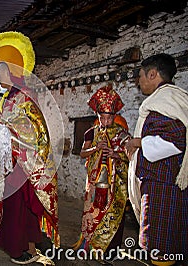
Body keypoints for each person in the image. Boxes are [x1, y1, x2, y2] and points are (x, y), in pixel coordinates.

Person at [0, 32, 59, 264]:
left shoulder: (24, 98)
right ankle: (17, 248)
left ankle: (13, 250)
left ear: (13, 69)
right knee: (14, 208)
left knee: (13, 209)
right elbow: (7, 129)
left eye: (1, 69)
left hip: (20, 165)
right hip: (8, 164)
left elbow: (28, 134)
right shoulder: (11, 97)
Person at [125, 53, 188, 265]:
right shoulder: (172, 99)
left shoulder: (164, 100)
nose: (139, 82)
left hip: (163, 186)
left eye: (140, 76)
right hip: (167, 183)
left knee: (161, 246)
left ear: (152, 74)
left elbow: (174, 141)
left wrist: (137, 143)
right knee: (171, 244)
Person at [72, 85, 129, 260]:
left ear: (114, 116)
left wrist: (115, 154)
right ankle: (92, 247)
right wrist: (97, 148)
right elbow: (83, 153)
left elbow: (129, 157)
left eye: (109, 117)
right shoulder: (91, 132)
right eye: (102, 117)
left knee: (114, 217)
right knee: (94, 213)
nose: (105, 121)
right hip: (95, 182)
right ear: (98, 116)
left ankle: (110, 252)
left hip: (115, 184)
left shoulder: (122, 134)